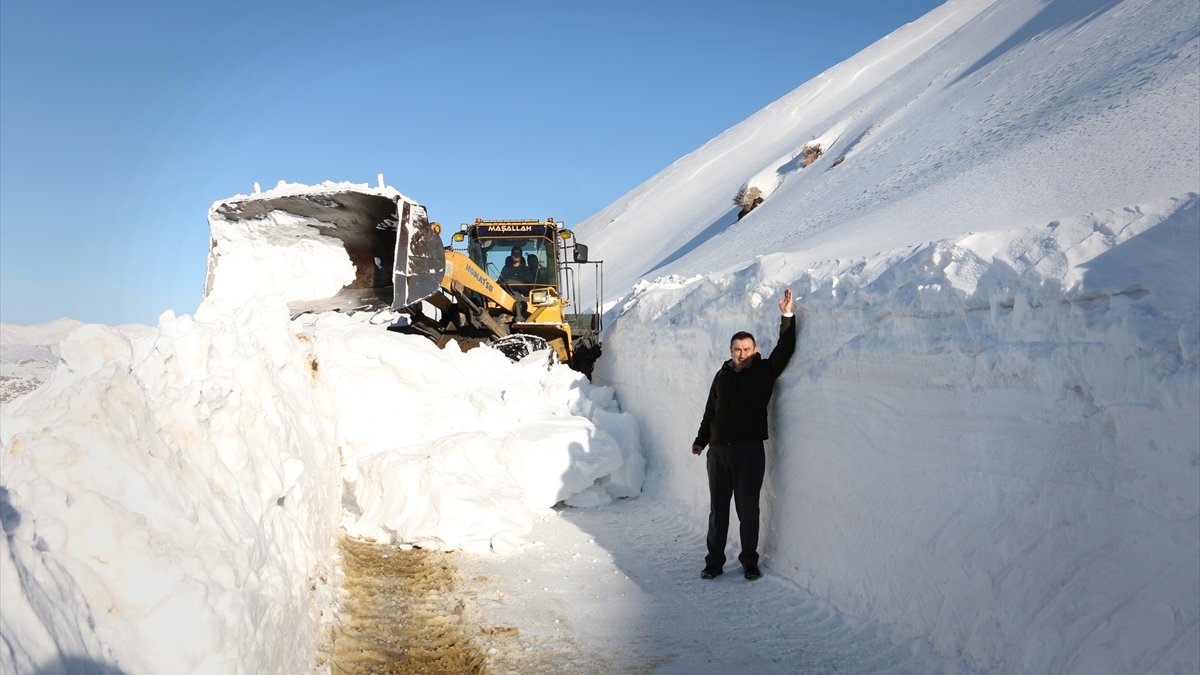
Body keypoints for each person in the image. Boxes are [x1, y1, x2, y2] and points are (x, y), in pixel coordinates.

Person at [691, 287, 796, 581]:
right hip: (718, 453)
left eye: (747, 349)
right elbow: (710, 410)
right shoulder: (721, 375)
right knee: (718, 512)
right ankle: (714, 562)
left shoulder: (763, 372)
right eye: (737, 349)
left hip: (749, 452)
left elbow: (784, 350)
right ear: (731, 351)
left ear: (754, 350)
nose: (742, 354)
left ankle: (750, 562)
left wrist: (786, 315)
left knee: (748, 510)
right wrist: (701, 440)